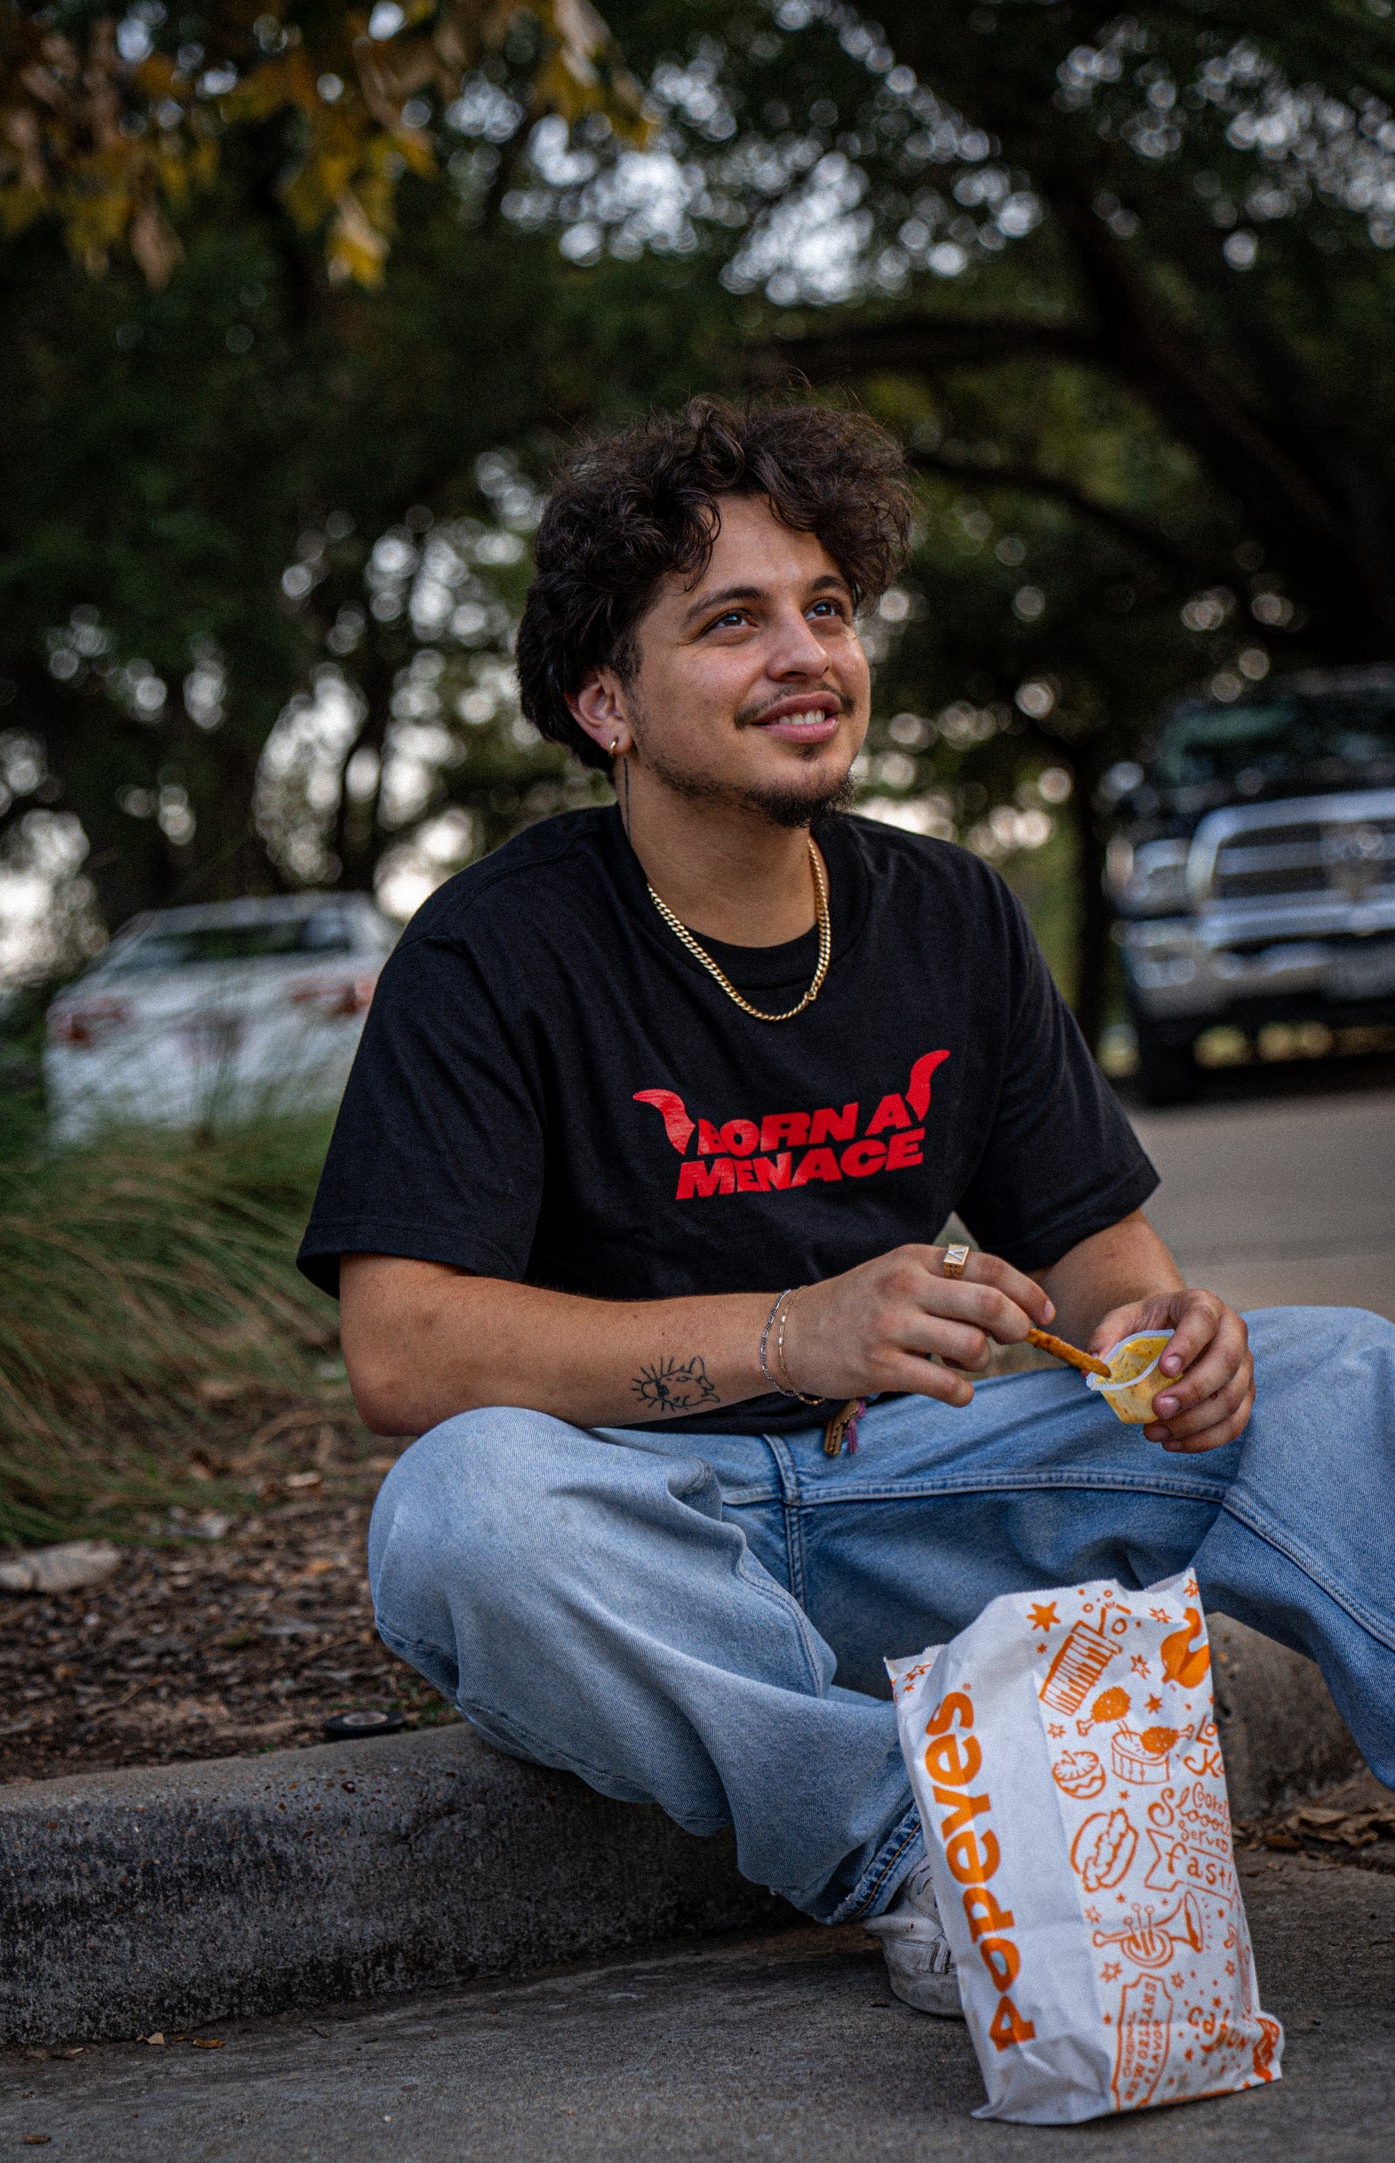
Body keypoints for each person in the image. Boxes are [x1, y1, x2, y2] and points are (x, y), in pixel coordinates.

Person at [299, 399, 1395, 2017]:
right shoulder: (493, 948)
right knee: (465, 1515)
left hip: (912, 1505)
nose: (805, 652)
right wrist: (791, 1334)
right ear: (605, 701)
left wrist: (1167, 1345)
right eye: (731, 622)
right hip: (650, 1534)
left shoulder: (946, 908)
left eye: (825, 608)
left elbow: (1099, 1257)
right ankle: (927, 1862)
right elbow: (402, 1350)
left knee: (1337, 1378)